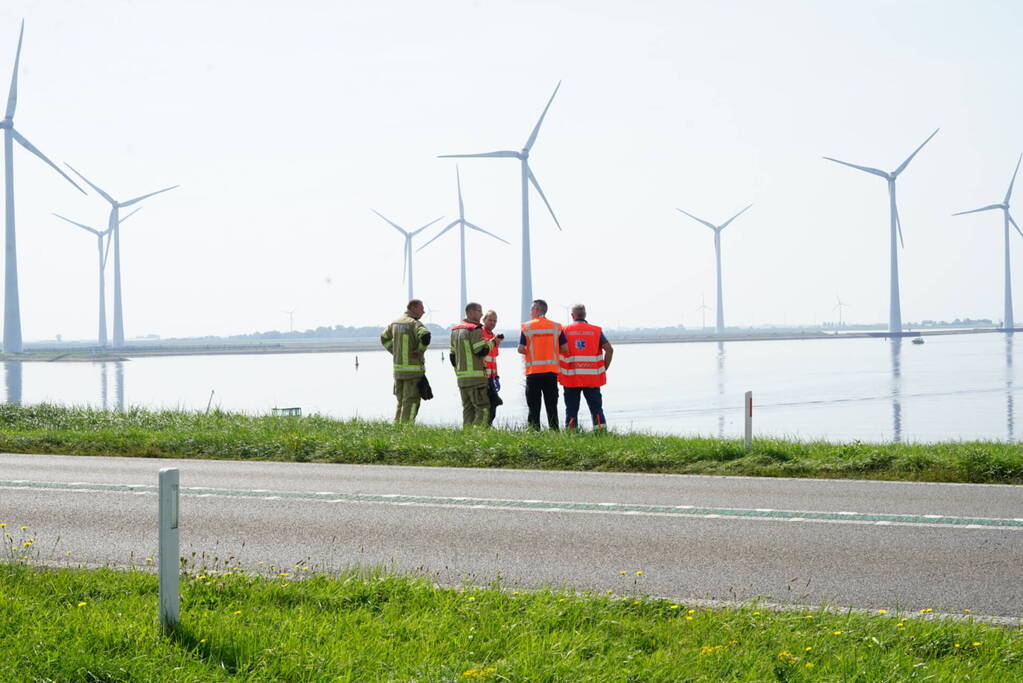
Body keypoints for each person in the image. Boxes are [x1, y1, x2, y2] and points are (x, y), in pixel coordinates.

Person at [559, 303, 614, 430]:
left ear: (572, 315)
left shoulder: (564, 330)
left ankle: (572, 433)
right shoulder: (596, 330)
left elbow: (557, 350)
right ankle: (601, 432)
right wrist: (604, 368)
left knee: (571, 409)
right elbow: (609, 350)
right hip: (592, 378)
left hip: (571, 377)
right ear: (585, 315)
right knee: (596, 409)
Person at [518, 299, 569, 430]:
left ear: (537, 309)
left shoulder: (526, 327)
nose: (530, 312)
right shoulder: (557, 327)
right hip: (551, 373)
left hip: (533, 373)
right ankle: (554, 431)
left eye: (531, 309)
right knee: (552, 406)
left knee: (533, 407)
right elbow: (565, 349)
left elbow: (520, 348)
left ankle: (534, 432)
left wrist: (532, 350)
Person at [450, 302, 503, 426]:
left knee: (468, 409)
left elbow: (452, 356)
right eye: (480, 311)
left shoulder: (455, 330)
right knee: (483, 408)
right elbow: (480, 351)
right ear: (471, 312)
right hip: (476, 379)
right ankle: (479, 436)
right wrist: (493, 343)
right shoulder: (474, 329)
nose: (481, 314)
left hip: (462, 378)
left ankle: (467, 436)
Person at [380, 299, 432, 423]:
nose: (424, 311)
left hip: (398, 372)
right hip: (413, 372)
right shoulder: (414, 323)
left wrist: (394, 351)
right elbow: (426, 336)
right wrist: (420, 350)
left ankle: (397, 427)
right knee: (412, 401)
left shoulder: (395, 323)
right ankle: (407, 428)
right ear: (413, 308)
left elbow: (383, 337)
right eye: (421, 308)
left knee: (401, 401)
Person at [481, 309, 503, 426]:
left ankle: (488, 426)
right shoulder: (479, 333)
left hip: (491, 377)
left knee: (493, 406)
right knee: (487, 404)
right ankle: (484, 427)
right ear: (484, 320)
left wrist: (496, 377)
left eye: (495, 321)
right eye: (490, 320)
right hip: (482, 376)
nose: (492, 323)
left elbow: (494, 360)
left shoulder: (494, 337)